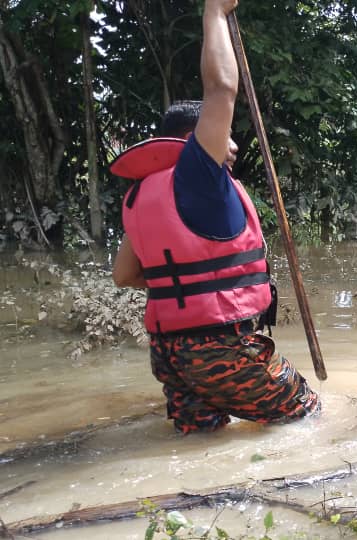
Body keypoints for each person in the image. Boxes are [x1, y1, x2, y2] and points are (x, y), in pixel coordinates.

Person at [111, 0, 319, 434]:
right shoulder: (197, 173)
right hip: (221, 349)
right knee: (307, 412)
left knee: (202, 437)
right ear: (195, 138)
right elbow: (222, 89)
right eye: (222, 134)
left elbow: (124, 275)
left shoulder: (141, 194)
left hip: (169, 356)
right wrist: (214, 11)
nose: (233, 146)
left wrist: (185, 286)